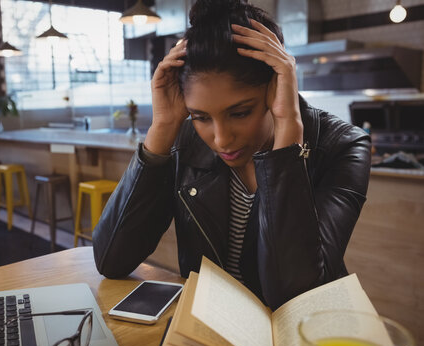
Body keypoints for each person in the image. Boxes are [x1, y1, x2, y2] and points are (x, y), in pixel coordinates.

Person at [93, 0, 371, 310]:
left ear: (276, 86)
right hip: (211, 335)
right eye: (201, 117)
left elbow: (294, 298)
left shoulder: (342, 146)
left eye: (240, 113)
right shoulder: (185, 141)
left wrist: (288, 134)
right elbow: (111, 259)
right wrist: (162, 127)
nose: (221, 139)